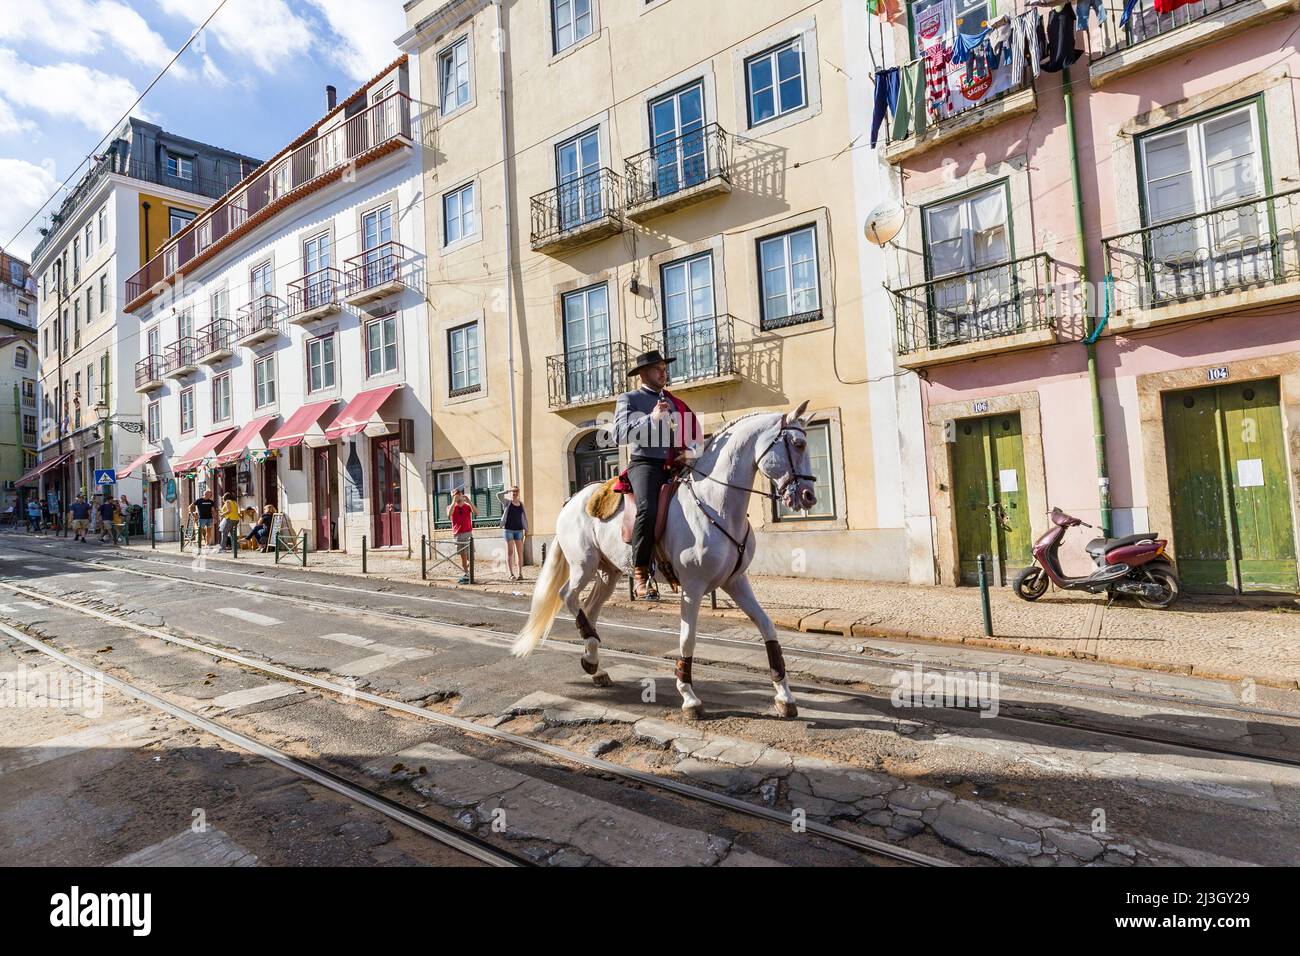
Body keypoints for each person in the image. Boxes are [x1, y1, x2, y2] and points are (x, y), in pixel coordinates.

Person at [613, 349, 703, 600]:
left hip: (673, 464)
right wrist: (650, 419)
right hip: (645, 464)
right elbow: (618, 434)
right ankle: (641, 573)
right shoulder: (629, 398)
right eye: (658, 369)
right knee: (647, 509)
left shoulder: (674, 402)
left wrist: (690, 452)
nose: (664, 373)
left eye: (665, 368)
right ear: (643, 373)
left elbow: (685, 433)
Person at [497, 485, 528, 581]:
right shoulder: (507, 502)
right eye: (513, 492)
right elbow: (498, 495)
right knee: (510, 552)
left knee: (519, 552)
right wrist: (508, 490)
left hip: (519, 530)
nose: (514, 493)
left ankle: (520, 573)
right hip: (508, 530)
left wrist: (526, 529)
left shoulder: (521, 504)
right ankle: (511, 574)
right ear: (511, 493)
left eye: (516, 491)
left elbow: (524, 518)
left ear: (518, 493)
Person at [447, 488, 477, 585]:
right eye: (455, 495)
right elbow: (449, 514)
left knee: (471, 557)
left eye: (459, 494)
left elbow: (476, 512)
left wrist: (469, 501)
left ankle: (468, 572)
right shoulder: (450, 506)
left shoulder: (467, 506)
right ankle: (466, 573)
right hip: (458, 534)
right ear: (452, 496)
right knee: (463, 557)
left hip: (468, 533)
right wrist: (453, 502)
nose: (457, 496)